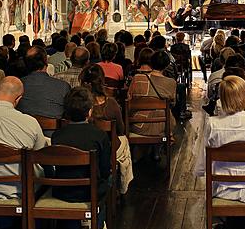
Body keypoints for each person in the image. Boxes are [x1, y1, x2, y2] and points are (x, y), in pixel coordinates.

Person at [194, 75, 245, 203]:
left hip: (223, 189)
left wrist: (200, 172)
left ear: (222, 99)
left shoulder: (213, 124)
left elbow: (202, 161)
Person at [51, 86, 111, 206]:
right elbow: (104, 170)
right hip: (90, 192)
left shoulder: (57, 136)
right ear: (89, 111)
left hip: (61, 192)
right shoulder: (100, 135)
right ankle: (99, 223)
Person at [80, 65, 133, 194]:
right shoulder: (111, 104)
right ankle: (123, 185)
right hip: (107, 150)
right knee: (124, 140)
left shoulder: (77, 104)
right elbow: (120, 130)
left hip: (81, 148)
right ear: (102, 81)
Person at [127, 50, 176, 136]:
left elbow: (129, 99)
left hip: (138, 124)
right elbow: (172, 104)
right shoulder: (171, 82)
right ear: (167, 65)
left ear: (151, 63)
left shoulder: (137, 78)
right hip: (163, 125)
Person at [17, 46, 71, 119]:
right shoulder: (63, 86)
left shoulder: (17, 85)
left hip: (23, 129)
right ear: (46, 61)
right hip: (55, 130)